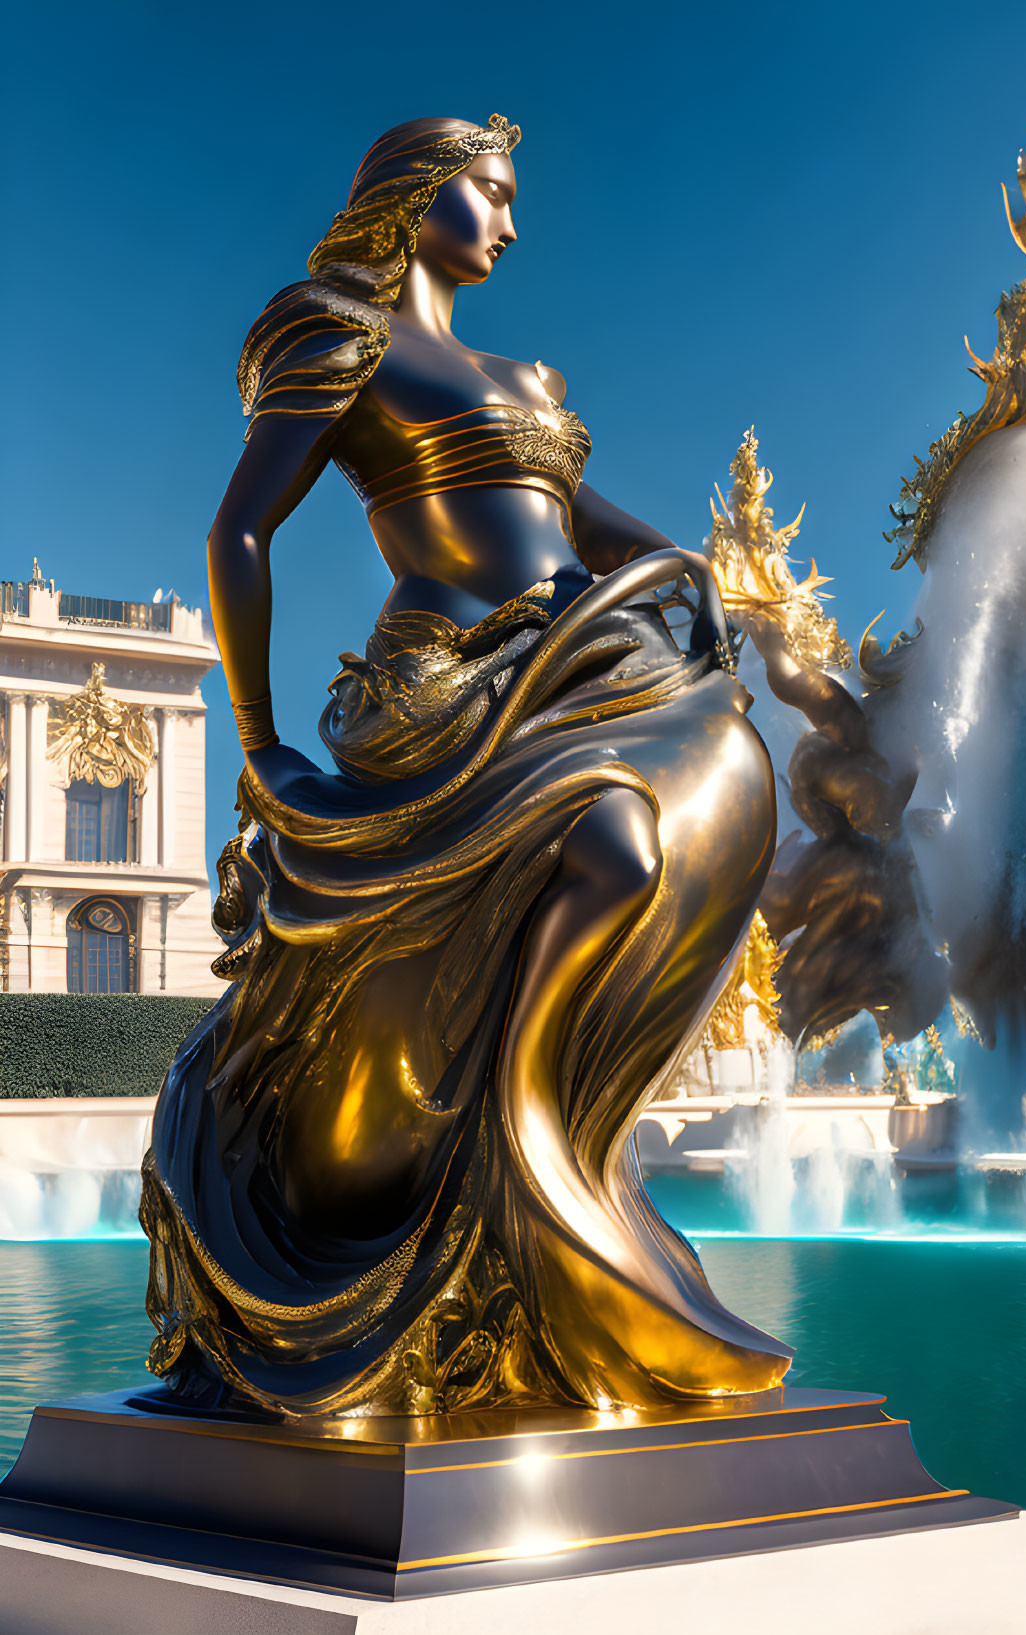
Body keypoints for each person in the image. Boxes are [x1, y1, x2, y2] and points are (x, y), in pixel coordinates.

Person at [142, 114, 791, 1417]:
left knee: (701, 794)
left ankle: (564, 1148)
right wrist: (259, 736)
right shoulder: (340, 335)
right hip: (441, 679)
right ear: (413, 199)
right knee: (610, 841)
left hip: (581, 662)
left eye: (508, 198)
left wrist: (705, 576)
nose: (509, 221)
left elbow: (583, 524)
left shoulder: (532, 380)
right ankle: (523, 1147)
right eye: (487, 195)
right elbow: (241, 529)